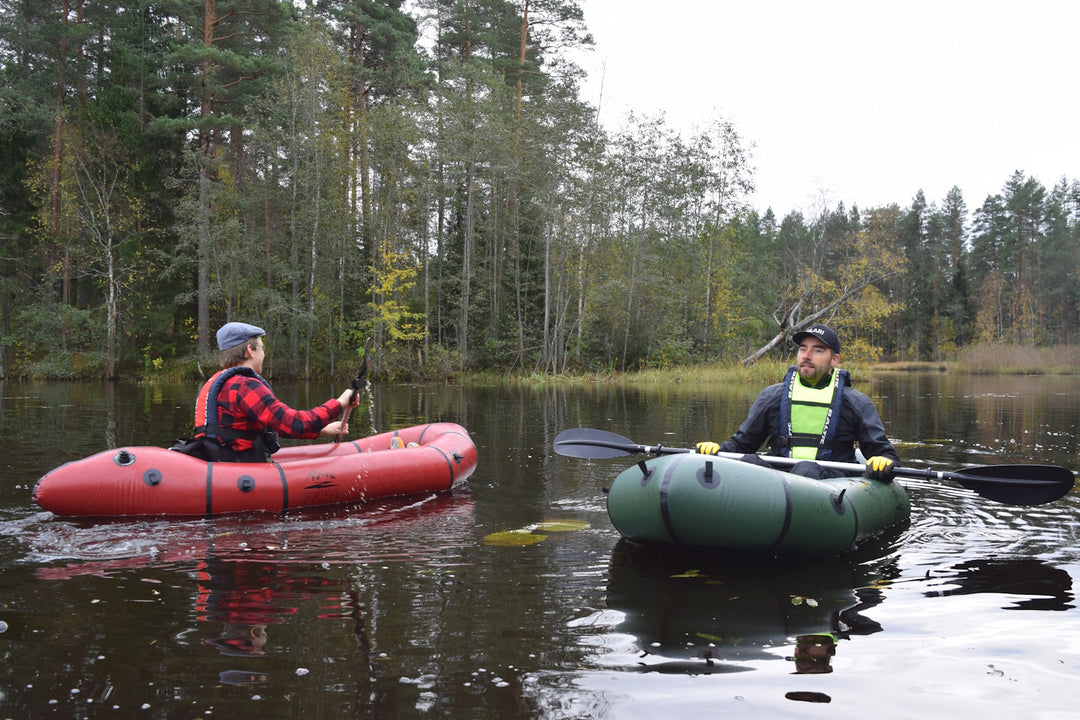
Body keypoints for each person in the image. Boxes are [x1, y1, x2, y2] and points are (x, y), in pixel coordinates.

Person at [695, 324, 899, 481]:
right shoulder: (772, 396)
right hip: (779, 477)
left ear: (834, 360)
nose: (807, 356)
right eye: (803, 349)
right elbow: (743, 444)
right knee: (749, 462)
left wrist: (884, 463)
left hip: (832, 481)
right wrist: (717, 452)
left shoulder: (856, 403)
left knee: (806, 469)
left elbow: (885, 455)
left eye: (817, 350)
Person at [186, 321, 360, 462]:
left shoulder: (222, 383)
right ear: (250, 350)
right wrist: (339, 404)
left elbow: (266, 426)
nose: (264, 354)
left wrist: (322, 429)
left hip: (221, 463)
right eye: (262, 348)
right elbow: (294, 425)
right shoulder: (245, 386)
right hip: (238, 469)